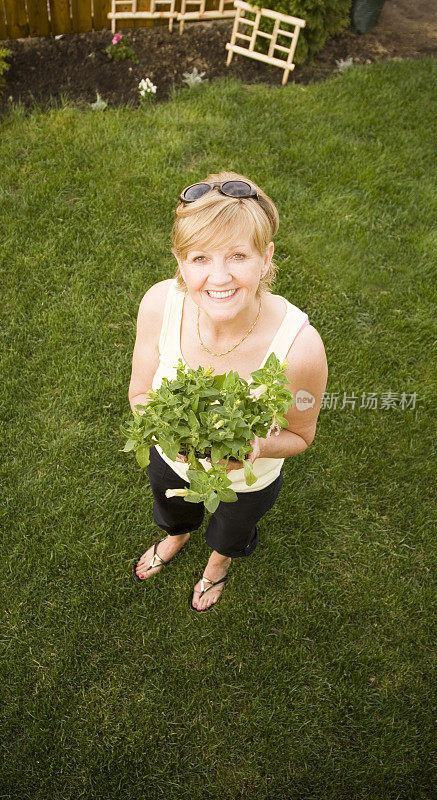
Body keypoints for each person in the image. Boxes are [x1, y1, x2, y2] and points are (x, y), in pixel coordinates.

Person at [128, 171, 328, 612]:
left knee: (231, 530)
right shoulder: (160, 305)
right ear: (180, 263)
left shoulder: (302, 348)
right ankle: (176, 536)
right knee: (174, 509)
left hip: (247, 484)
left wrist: (256, 445)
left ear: (265, 257)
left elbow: (301, 435)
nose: (219, 277)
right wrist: (169, 439)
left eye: (237, 255)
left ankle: (217, 564)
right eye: (200, 258)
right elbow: (142, 394)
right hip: (169, 462)